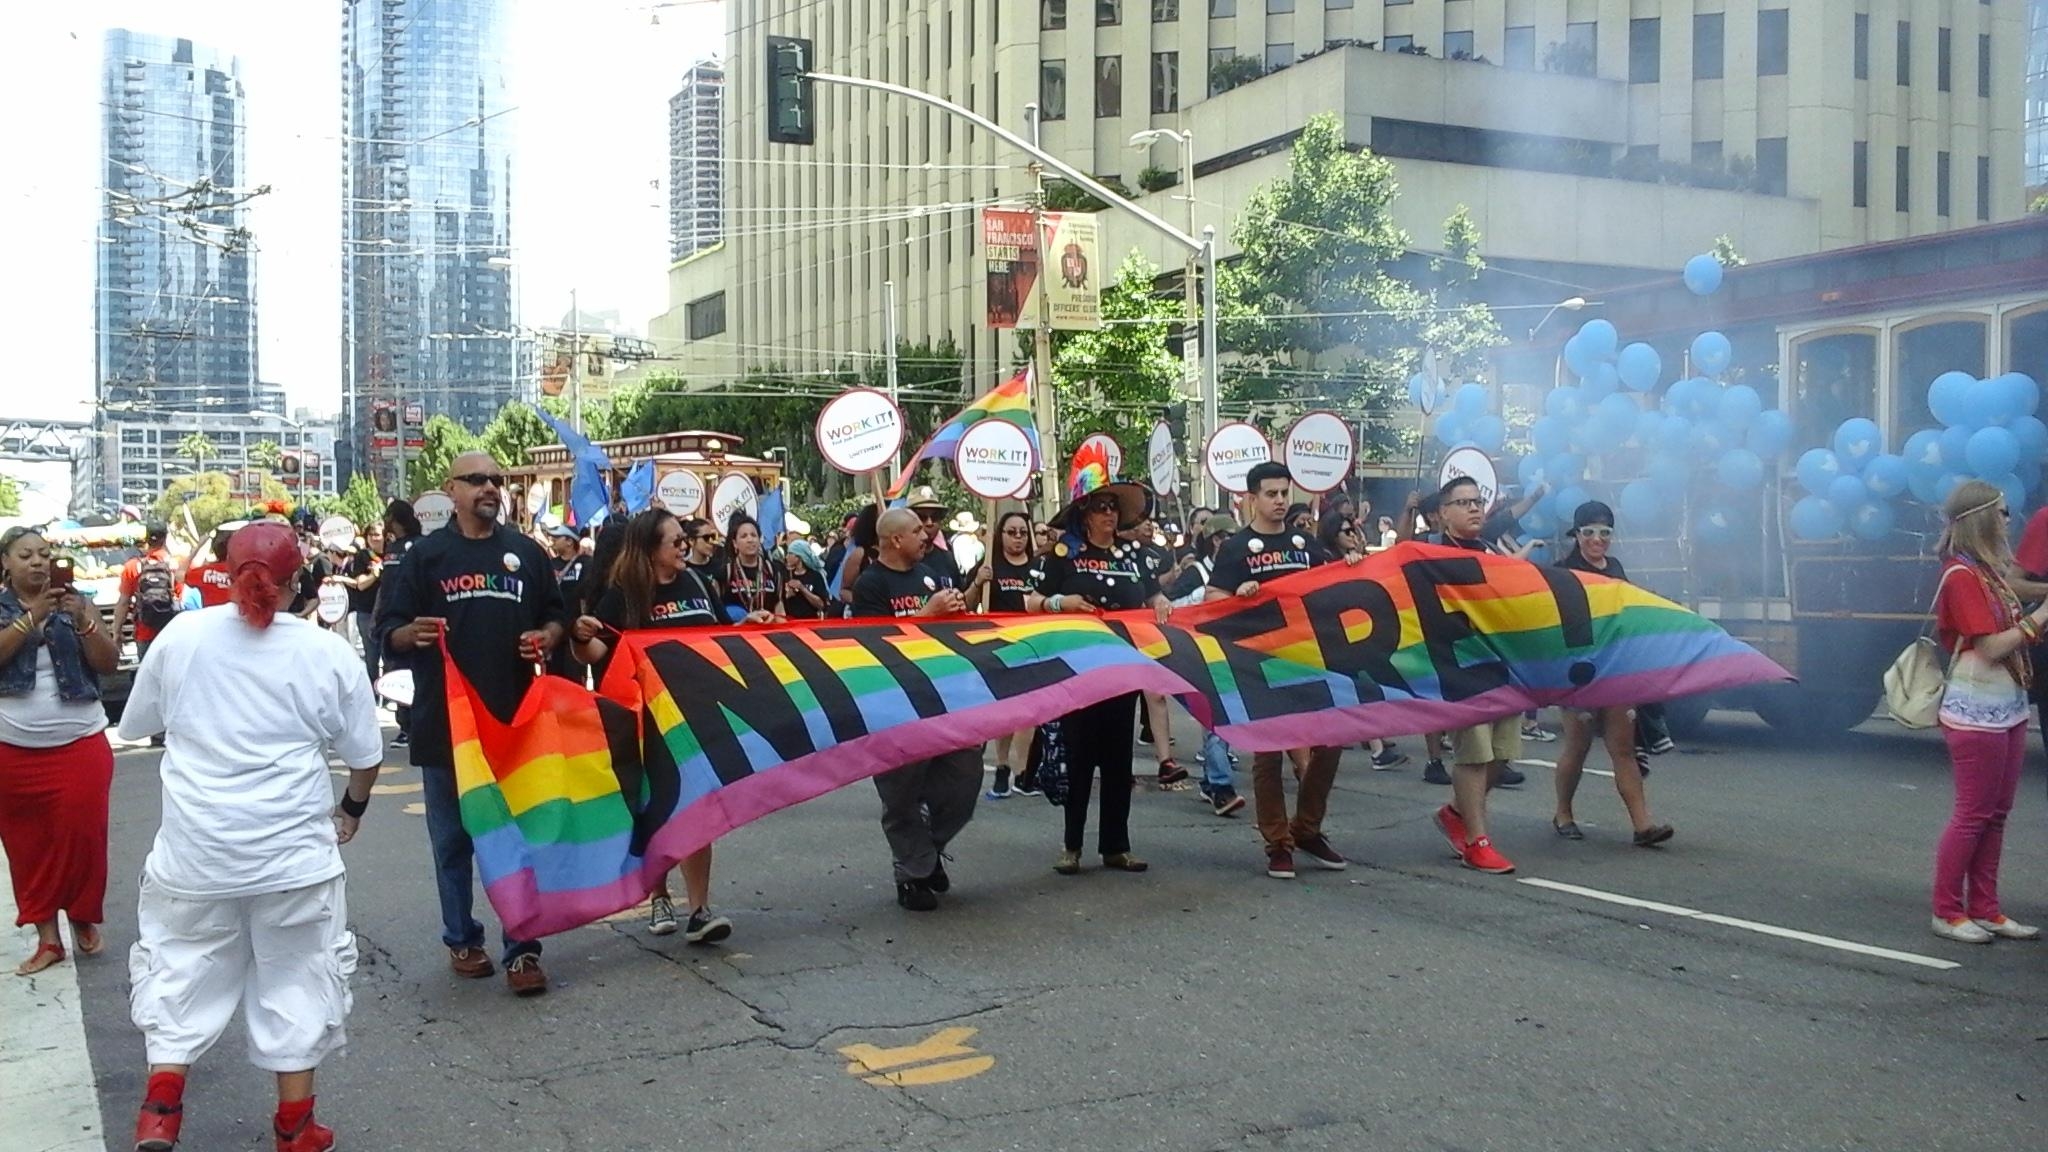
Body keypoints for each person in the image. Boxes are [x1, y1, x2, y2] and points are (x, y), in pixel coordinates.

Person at [119, 521, 384, 1152]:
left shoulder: (183, 636)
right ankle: (295, 1126)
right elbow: (365, 754)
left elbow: (136, 723)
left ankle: (160, 1113)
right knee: (296, 975)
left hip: (194, 854)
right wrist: (349, 810)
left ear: (224, 569)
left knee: (181, 967)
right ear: (300, 580)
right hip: (292, 859)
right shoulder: (325, 653)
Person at [378, 453, 566, 995]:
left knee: (518, 840)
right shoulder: (425, 557)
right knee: (453, 843)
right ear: (451, 490)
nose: (490, 488)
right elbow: (387, 627)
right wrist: (405, 635)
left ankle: (523, 949)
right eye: (477, 480)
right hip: (446, 728)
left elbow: (554, 613)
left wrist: (549, 636)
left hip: (516, 724)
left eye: (496, 481)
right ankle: (462, 939)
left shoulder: (525, 553)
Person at [572, 510, 732, 943]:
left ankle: (699, 909)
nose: (685, 547)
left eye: (685, 540)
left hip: (694, 715)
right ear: (649, 549)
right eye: (675, 542)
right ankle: (659, 894)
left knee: (696, 808)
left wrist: (750, 629)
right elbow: (593, 656)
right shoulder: (623, 596)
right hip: (641, 721)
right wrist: (581, 636)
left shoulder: (699, 584)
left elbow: (721, 637)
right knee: (653, 807)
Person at [1208, 463, 1357, 879]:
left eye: (1283, 493)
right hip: (1259, 663)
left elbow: (1330, 583)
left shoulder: (1304, 543)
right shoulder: (1237, 548)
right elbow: (1212, 597)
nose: (1278, 501)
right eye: (1270, 494)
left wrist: (1353, 565)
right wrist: (1237, 596)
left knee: (1331, 742)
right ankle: (1278, 843)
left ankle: (1307, 828)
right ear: (1251, 498)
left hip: (1309, 657)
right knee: (1269, 752)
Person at [1028, 483, 1172, 876]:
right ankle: (1071, 845)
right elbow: (1031, 600)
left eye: (1113, 507)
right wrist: (1062, 603)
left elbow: (1153, 594)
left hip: (1123, 667)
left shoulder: (1136, 555)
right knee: (1079, 759)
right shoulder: (1064, 555)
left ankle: (1116, 845)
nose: (1109, 514)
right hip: (1079, 668)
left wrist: (1160, 603)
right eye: (1100, 507)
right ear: (1085, 514)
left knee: (1117, 760)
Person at [1925, 481, 2045, 944]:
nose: (2010, 520)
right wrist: (2042, 615)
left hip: (2007, 705)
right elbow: (1992, 646)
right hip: (1975, 708)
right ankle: (1947, 910)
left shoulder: (1986, 571)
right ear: (1982, 519)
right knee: (1974, 814)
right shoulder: (1960, 575)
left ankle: (1987, 908)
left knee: (1996, 813)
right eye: (2004, 512)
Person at [0, 527, 119, 976]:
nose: (37, 562)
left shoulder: (77, 603)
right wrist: (29, 619)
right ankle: (48, 939)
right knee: (29, 847)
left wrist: (84, 620)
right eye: (25, 555)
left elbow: (107, 663)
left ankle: (84, 914)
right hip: (13, 750)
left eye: (44, 554)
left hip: (80, 743)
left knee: (84, 837)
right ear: (5, 563)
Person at [850, 507, 981, 911]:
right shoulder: (870, 584)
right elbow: (876, 646)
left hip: (945, 693)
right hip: (893, 701)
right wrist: (928, 615)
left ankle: (924, 851)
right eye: (914, 530)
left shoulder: (938, 567)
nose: (925, 534)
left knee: (964, 778)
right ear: (894, 540)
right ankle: (912, 875)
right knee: (902, 794)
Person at [1548, 502, 1674, 847]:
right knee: (1578, 745)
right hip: (1579, 674)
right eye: (1589, 532)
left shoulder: (1615, 567)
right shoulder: (1562, 572)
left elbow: (1626, 611)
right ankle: (1563, 813)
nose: (1598, 540)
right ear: (1577, 535)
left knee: (1623, 748)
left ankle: (1642, 825)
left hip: (1617, 670)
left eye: (1605, 533)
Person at [1430, 475, 1528, 875]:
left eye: (1478, 501)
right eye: (1463, 502)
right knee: (1474, 753)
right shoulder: (1428, 554)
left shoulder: (1490, 549)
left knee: (1503, 757)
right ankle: (1477, 841)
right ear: (1443, 513)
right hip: (1458, 666)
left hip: (1499, 664)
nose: (1474, 508)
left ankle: (1455, 812)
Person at [1164, 516, 1246, 816]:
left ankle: (1212, 781)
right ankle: (1221, 786)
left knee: (1221, 714)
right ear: (1216, 540)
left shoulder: (1239, 569)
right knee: (1217, 714)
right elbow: (1167, 606)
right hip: (1199, 651)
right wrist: (1206, 599)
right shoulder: (1196, 574)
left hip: (1231, 649)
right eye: (1230, 537)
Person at [979, 511, 1039, 799]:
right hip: (999, 644)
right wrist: (978, 582)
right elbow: (968, 603)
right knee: (1005, 712)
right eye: (1011, 532)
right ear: (999, 535)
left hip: (1032, 645)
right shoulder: (990, 567)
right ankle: (1002, 766)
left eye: (1022, 533)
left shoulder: (1038, 567)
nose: (1017, 538)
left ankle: (1023, 771)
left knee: (1029, 711)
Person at [374, 500, 422, 741]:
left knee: (411, 673)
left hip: (411, 619)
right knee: (394, 671)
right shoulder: (390, 547)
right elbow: (385, 585)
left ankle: (413, 724)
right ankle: (403, 725)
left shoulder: (419, 546)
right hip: (389, 618)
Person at [114, 521, 182, 665]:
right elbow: (183, 600)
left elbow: (123, 603)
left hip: (144, 633)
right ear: (165, 538)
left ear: (146, 538)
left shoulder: (133, 566)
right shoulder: (176, 566)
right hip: (172, 632)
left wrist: (117, 632)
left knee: (147, 678)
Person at [723, 512, 783, 623]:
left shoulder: (773, 569)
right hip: (736, 637)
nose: (750, 540)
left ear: (760, 540)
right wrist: (744, 621)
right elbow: (718, 616)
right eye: (744, 536)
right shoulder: (725, 572)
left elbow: (779, 604)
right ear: (735, 543)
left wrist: (776, 619)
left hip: (768, 633)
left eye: (753, 535)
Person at [905, 487, 965, 589]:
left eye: (935, 516)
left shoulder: (948, 559)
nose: (929, 523)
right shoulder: (901, 558)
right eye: (922, 517)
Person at [779, 542, 831, 621]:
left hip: (810, 621)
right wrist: (786, 596)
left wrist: (802, 588)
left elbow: (821, 605)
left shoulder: (815, 576)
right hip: (790, 622)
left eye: (790, 553)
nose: (787, 557)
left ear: (799, 556)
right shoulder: (785, 575)